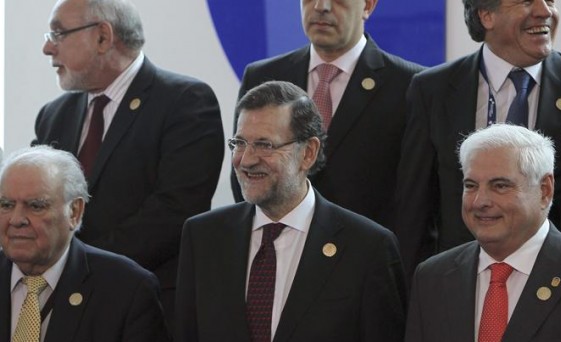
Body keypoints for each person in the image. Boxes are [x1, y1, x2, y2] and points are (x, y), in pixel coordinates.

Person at [34, 0, 225, 330]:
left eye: (58, 33)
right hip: (63, 307)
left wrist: (80, 267)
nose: (47, 47)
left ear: (103, 37)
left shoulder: (185, 102)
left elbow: (174, 211)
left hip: (147, 306)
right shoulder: (54, 115)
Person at [394, 0, 561, 285]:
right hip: (463, 285)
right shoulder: (432, 89)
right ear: (486, 16)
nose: (545, 11)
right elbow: (415, 212)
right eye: (526, 1)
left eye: (551, 1)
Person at [175, 81, 406, 342]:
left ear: (308, 153)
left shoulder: (368, 248)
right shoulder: (203, 237)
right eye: (240, 143)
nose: (246, 160)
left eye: (265, 145)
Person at [405, 124, 561, 341]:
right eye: (471, 185)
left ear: (544, 190)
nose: (480, 201)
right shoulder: (431, 278)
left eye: (500, 186)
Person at [231, 0, 425, 228]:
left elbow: (415, 199)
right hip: (279, 248)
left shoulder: (410, 85)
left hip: (367, 255)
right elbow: (245, 171)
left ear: (368, 5)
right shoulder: (263, 75)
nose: (321, 6)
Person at [0, 145, 170, 342]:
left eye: (36, 206)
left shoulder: (128, 290)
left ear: (74, 212)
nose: (16, 219)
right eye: (6, 205)